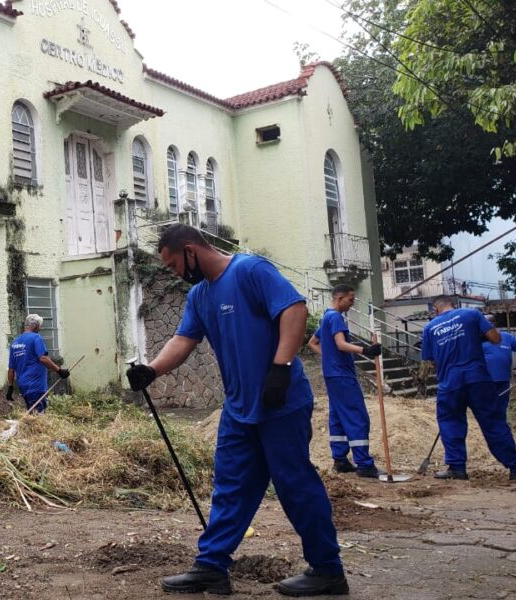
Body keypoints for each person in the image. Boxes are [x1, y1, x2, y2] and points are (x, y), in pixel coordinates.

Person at [126, 224, 347, 597]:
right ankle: (212, 566)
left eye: (174, 263)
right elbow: (183, 339)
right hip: (239, 407)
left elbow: (293, 309)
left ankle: (328, 570)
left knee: (294, 484)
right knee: (230, 486)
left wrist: (281, 367)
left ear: (192, 249)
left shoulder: (249, 270)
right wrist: (152, 370)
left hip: (281, 402)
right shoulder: (199, 295)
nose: (174, 272)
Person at [421, 296, 516, 481]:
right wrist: (477, 336)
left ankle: (457, 468)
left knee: (450, 423)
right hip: (477, 379)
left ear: (435, 309)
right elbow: (495, 338)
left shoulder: (430, 328)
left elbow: (430, 360)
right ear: (454, 305)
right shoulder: (471, 314)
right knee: (494, 422)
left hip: (450, 382)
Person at [308, 284, 383, 478]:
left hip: (332, 374)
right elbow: (341, 344)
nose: (352, 304)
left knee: (338, 416)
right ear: (339, 299)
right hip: (342, 375)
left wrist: (328, 358)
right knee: (356, 416)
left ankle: (340, 460)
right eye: (350, 300)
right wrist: (366, 350)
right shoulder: (335, 318)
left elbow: (312, 343)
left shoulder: (326, 317)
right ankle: (364, 464)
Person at [7, 314, 69, 413]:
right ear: (35, 325)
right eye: (40, 326)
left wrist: (10, 387)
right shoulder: (36, 338)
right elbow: (43, 358)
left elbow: (11, 369)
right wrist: (59, 370)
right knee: (38, 416)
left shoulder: (15, 343)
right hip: (35, 385)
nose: (40, 328)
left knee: (31, 413)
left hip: (23, 386)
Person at [483, 314, 516, 404]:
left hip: (504, 378)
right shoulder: (478, 339)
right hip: (486, 380)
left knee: (503, 404)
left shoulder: (507, 337)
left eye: (491, 322)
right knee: (488, 405)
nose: (488, 325)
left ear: (495, 323)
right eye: (485, 322)